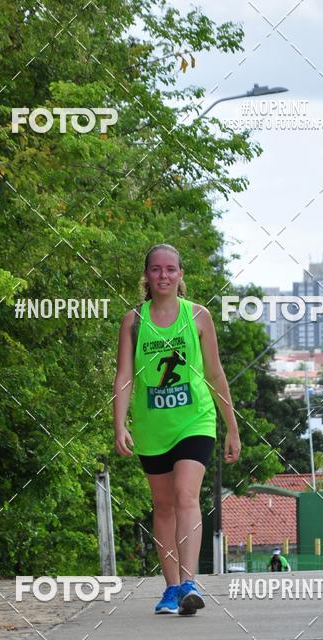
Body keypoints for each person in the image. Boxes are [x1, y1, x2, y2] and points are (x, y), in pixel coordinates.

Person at [114, 243, 241, 616]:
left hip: (195, 420)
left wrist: (231, 427)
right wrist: (119, 423)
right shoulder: (134, 321)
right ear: (146, 276)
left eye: (171, 269)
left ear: (181, 275)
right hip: (152, 426)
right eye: (156, 269)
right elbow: (123, 377)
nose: (164, 276)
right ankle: (170, 589)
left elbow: (216, 374)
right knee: (163, 505)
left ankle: (189, 583)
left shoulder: (198, 317)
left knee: (187, 494)